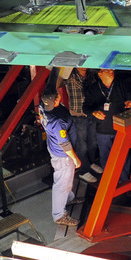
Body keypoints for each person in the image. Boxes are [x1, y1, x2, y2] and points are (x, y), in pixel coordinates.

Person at [39, 91, 81, 228]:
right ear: (57, 100)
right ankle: (59, 215)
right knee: (62, 184)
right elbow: (65, 144)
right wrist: (75, 158)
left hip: (54, 147)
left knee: (66, 180)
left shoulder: (44, 104)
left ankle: (68, 198)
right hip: (63, 155)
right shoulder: (57, 121)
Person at [84, 68, 131, 171]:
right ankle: (108, 178)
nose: (111, 72)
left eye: (112, 70)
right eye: (107, 70)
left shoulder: (121, 84)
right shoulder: (94, 89)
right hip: (103, 129)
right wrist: (94, 112)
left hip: (120, 127)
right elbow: (86, 107)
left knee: (123, 155)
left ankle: (124, 179)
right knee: (106, 156)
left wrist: (130, 102)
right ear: (100, 74)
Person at [62, 67, 98, 183]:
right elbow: (58, 80)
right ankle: (83, 171)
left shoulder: (91, 74)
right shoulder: (70, 75)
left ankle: (90, 163)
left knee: (93, 142)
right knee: (82, 146)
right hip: (78, 115)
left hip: (91, 113)